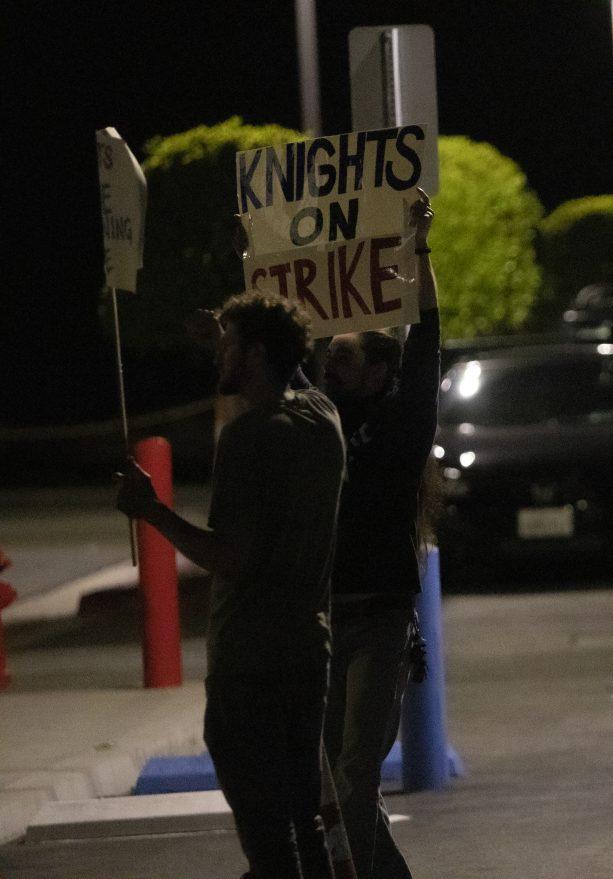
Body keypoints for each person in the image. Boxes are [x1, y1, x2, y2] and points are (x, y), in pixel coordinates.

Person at [117, 292, 345, 879]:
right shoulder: (324, 418)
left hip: (251, 661)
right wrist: (232, 332)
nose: (218, 354)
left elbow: (230, 557)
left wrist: (152, 511)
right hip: (306, 650)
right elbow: (291, 365)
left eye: (228, 346)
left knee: (268, 840)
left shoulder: (249, 438)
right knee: (305, 821)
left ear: (257, 353)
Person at [317, 191, 440, 879]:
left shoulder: (403, 424)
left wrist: (419, 247)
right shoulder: (319, 420)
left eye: (342, 358)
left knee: (358, 765)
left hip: (382, 619)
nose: (328, 369)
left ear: (379, 370)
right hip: (328, 616)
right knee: (333, 774)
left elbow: (428, 339)